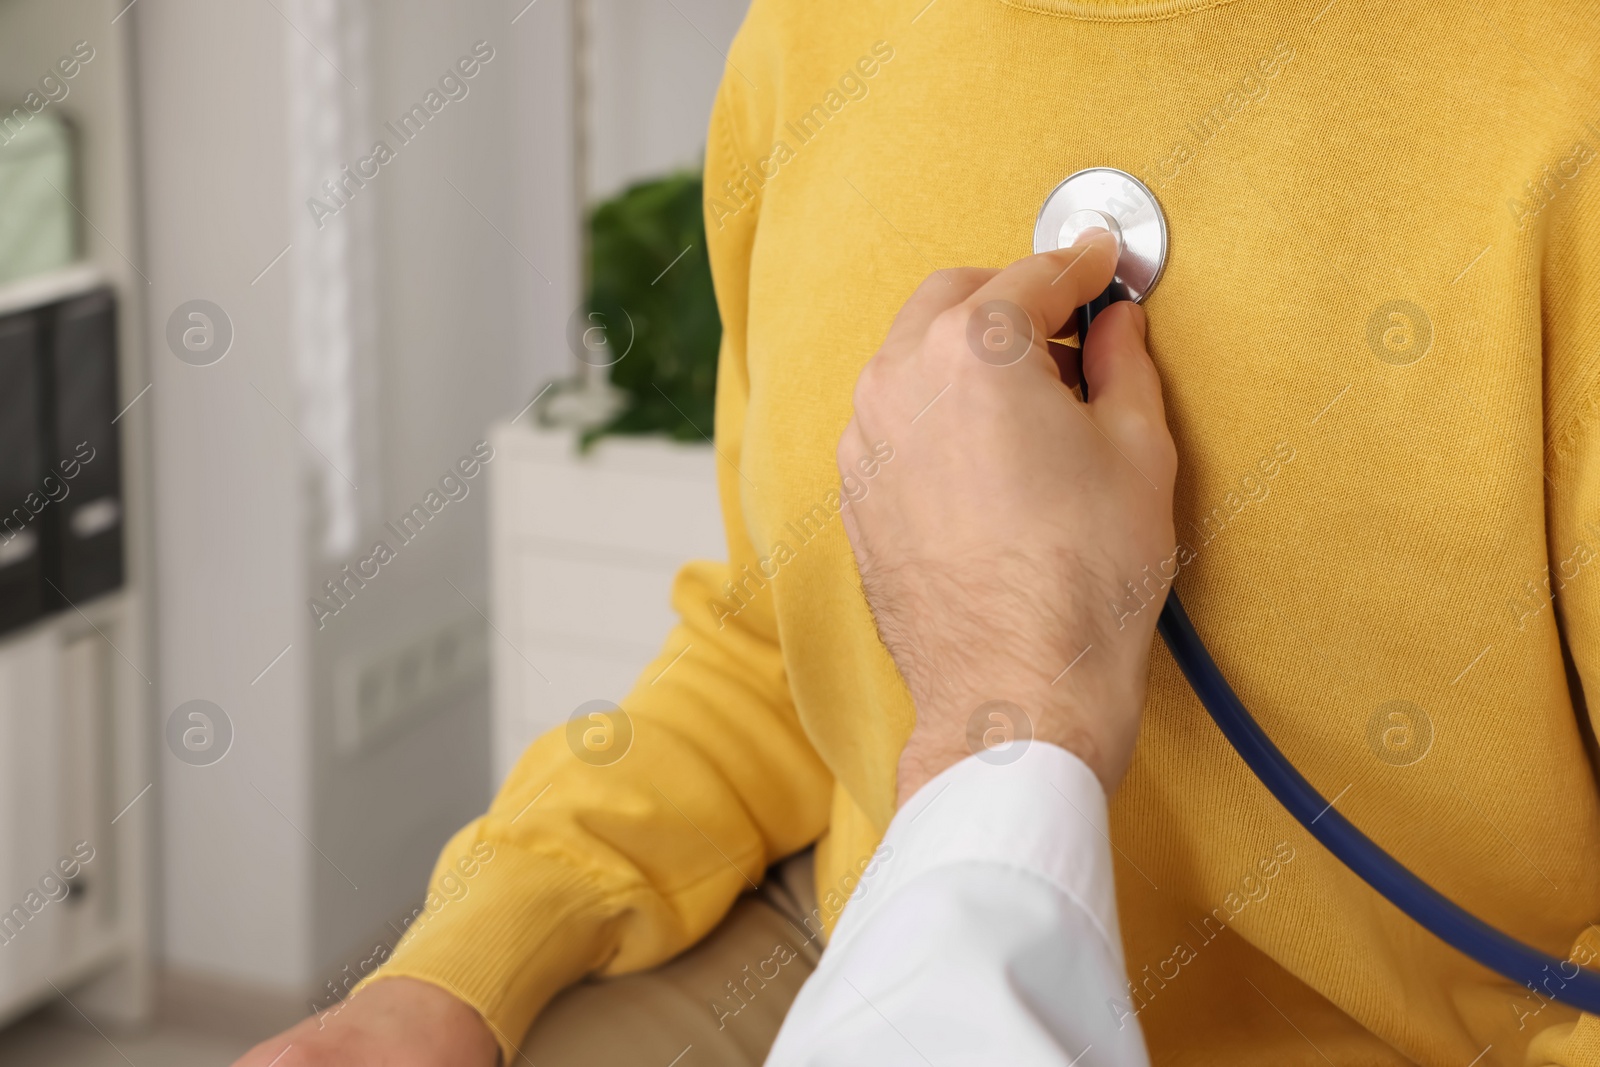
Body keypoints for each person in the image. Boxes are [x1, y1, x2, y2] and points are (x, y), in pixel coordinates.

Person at [235, 0, 1600, 1063]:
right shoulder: (806, 43)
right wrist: (462, 961)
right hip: (873, 958)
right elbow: (769, 649)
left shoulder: (1556, 86)